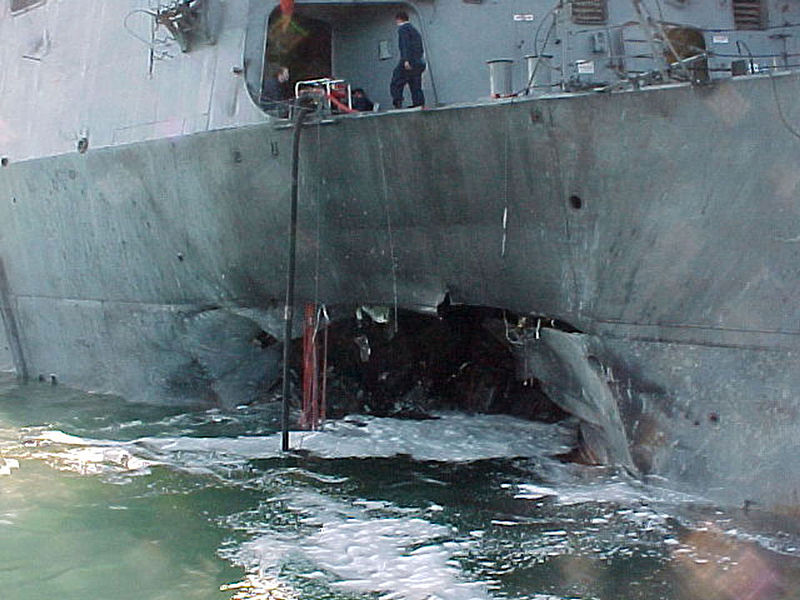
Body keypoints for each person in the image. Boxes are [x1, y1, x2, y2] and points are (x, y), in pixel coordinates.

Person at [390, 11, 425, 109]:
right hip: (418, 61)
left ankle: (398, 102)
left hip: (409, 61)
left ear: (398, 19)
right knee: (415, 83)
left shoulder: (403, 29)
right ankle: (419, 104)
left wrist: (406, 60)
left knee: (396, 81)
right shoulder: (414, 30)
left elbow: (405, 45)